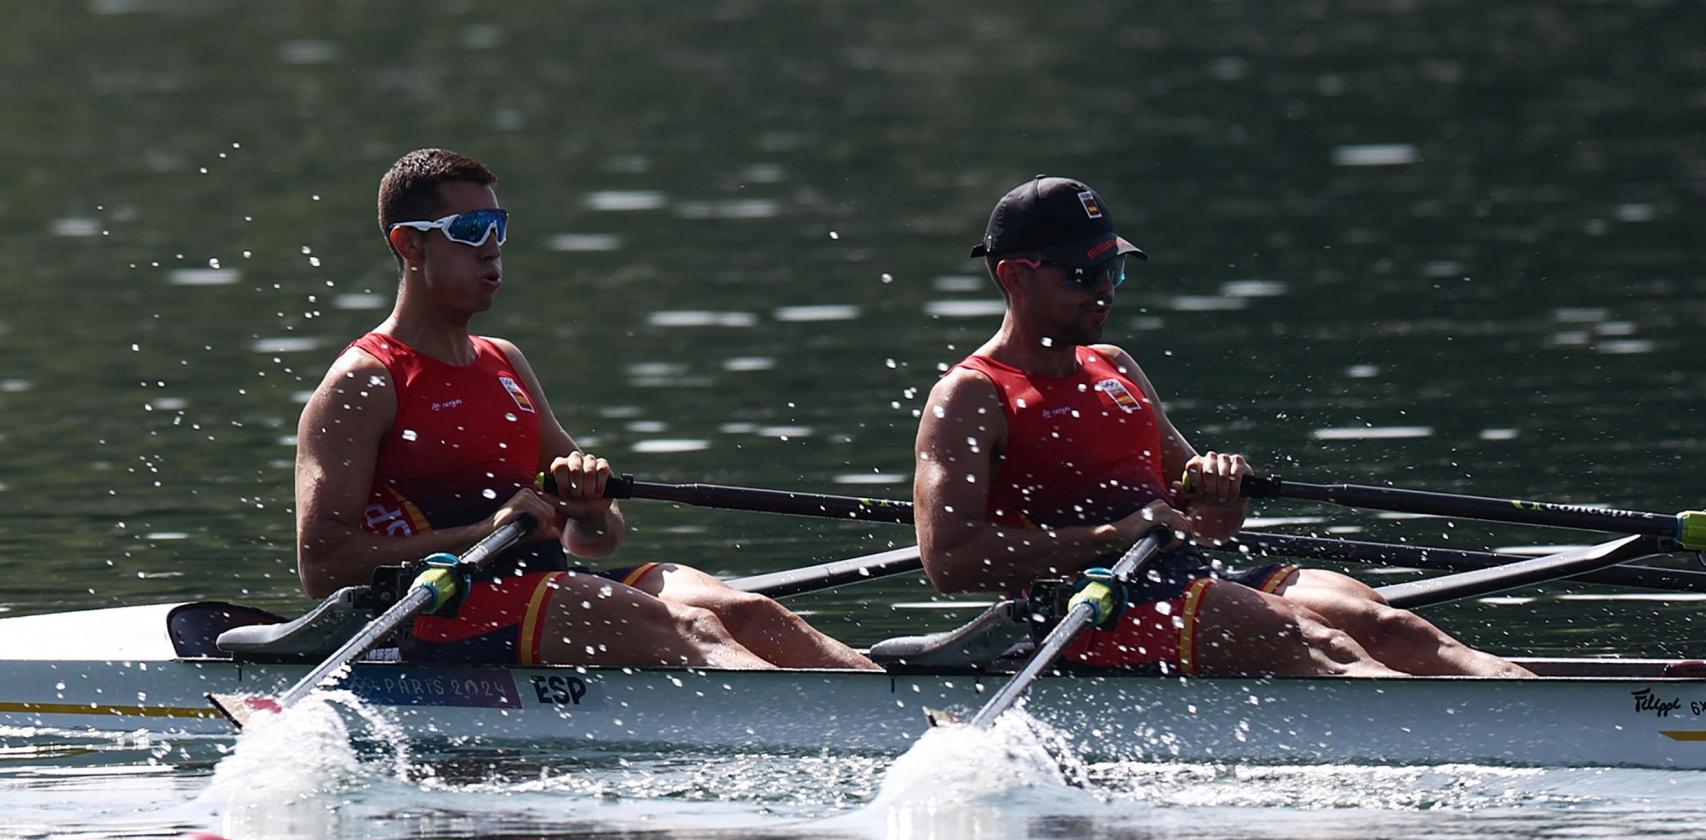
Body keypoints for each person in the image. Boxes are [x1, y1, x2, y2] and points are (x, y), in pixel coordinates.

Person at [912, 174, 1533, 678]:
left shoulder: (1115, 367)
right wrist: (1114, 534)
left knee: (1383, 622)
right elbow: (949, 562)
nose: (1105, 292)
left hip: (1183, 581)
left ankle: (1566, 708)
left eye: (1114, 271)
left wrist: (1219, 489)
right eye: (1082, 276)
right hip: (1082, 613)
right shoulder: (972, 395)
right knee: (1323, 645)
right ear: (1014, 276)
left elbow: (1203, 521)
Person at [294, 147, 877, 670]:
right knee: (691, 626)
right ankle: (826, 730)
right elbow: (322, 565)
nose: (492, 248)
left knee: (747, 612)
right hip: (444, 616)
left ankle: (912, 718)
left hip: (548, 588)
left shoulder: (505, 362)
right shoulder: (366, 381)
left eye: (498, 226)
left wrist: (590, 507)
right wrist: (480, 531)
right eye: (470, 229)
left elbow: (599, 539)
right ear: (409, 243)